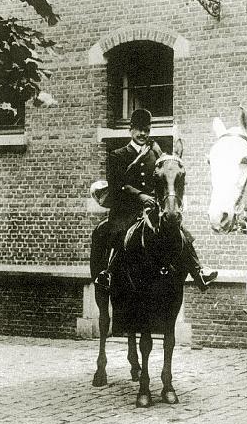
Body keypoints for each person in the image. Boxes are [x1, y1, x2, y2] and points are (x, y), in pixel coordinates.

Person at [90, 108, 218, 292]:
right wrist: (140, 195)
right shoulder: (118, 155)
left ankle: (199, 271)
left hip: (152, 207)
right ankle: (108, 273)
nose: (143, 134)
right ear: (131, 130)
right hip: (127, 207)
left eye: (147, 130)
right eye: (139, 129)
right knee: (119, 233)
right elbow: (117, 184)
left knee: (178, 229)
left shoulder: (156, 155)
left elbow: (163, 179)